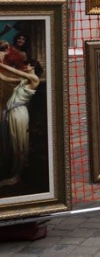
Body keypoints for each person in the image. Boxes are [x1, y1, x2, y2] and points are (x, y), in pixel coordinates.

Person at [0, 54, 43, 186]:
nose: (25, 66)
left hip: (19, 114)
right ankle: (9, 171)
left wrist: (1, 64)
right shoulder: (24, 81)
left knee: (17, 142)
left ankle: (17, 174)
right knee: (9, 143)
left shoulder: (34, 78)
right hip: (11, 113)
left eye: (27, 65)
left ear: (33, 67)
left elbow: (14, 71)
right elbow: (5, 78)